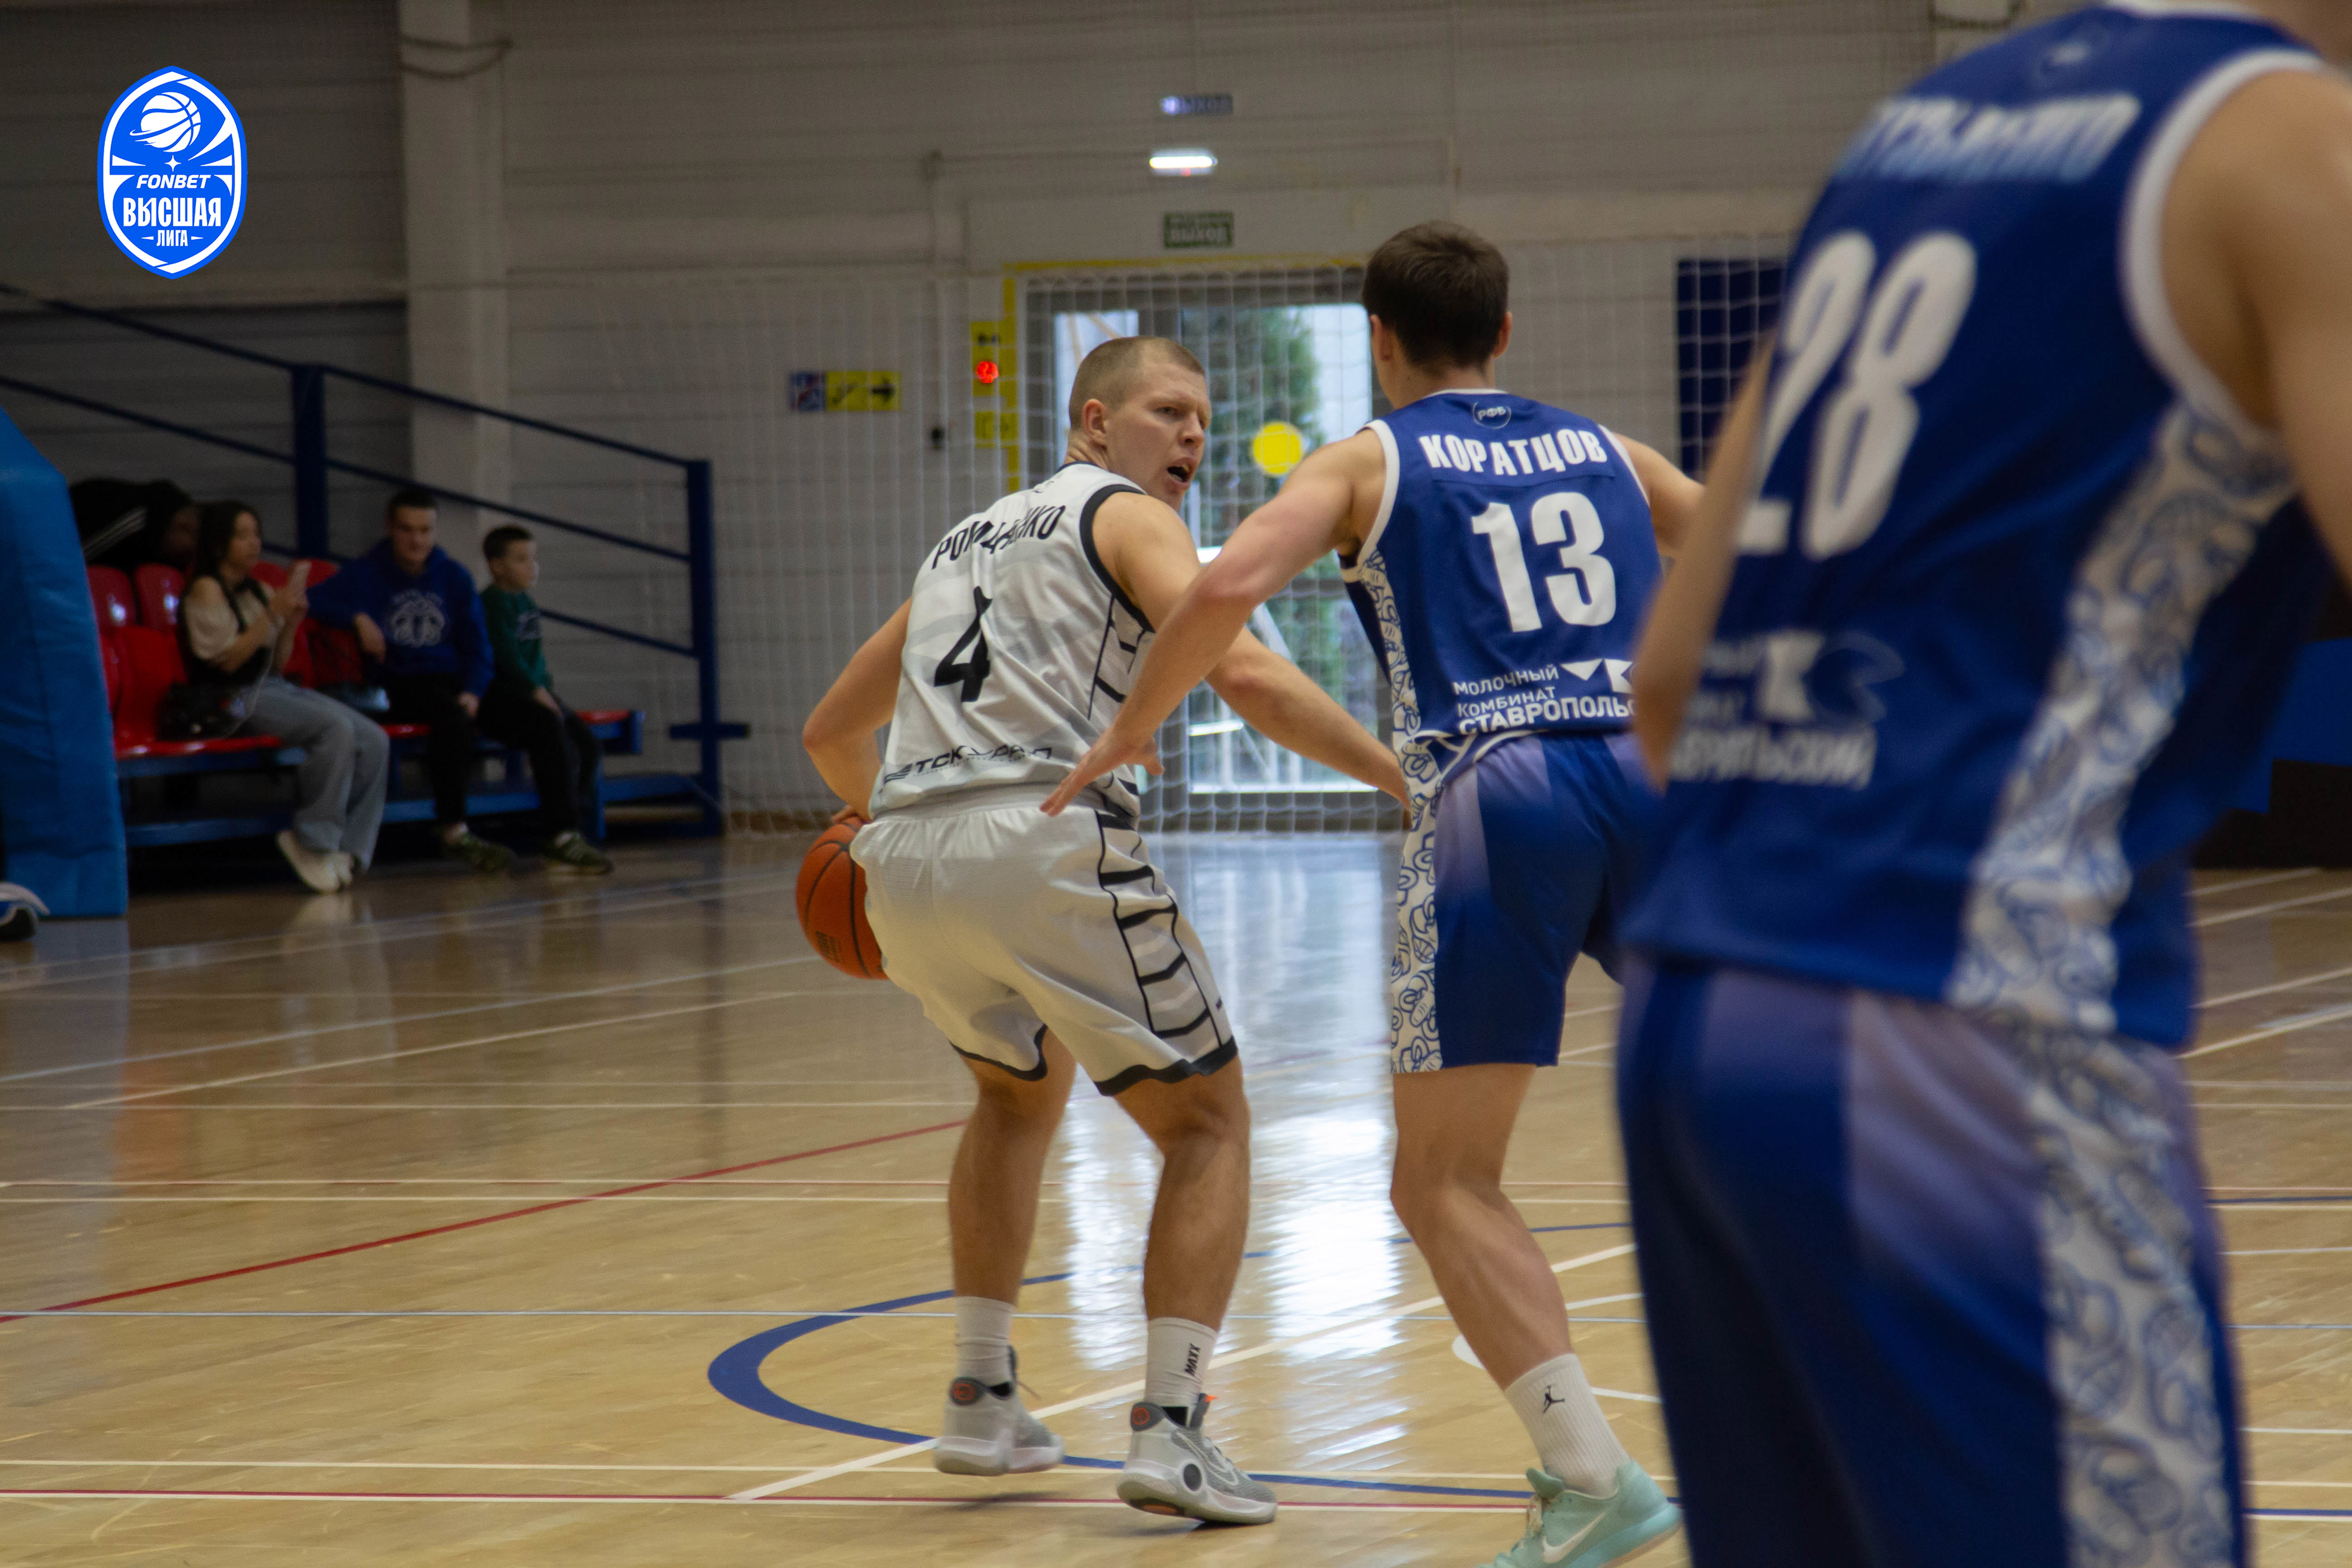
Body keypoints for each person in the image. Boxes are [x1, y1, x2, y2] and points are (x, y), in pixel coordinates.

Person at [1615, 6, 2352, 1567]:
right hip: (1970, 1018)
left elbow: (1669, 671)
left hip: (1695, 1009)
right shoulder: (2292, 144)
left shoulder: (1910, 139)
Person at [1046, 225, 1700, 1568]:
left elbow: (1227, 585)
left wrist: (1130, 727)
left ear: (1380, 338)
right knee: (1766, 1107)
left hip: (1498, 796)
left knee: (1445, 1177)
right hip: (1654, 777)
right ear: (1504, 333)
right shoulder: (1614, 453)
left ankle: (1594, 1479)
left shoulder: (1364, 462)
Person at [803, 336, 1407, 1525]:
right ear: (1093, 422)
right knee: (1208, 1125)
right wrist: (1400, 778)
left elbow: (830, 733)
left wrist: (913, 831)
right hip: (1041, 840)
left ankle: (981, 1395)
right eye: (1168, 411)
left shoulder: (958, 544)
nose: (1193, 436)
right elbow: (1244, 675)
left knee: (1013, 1101)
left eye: (1202, 420)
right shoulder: (1128, 517)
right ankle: (1173, 1432)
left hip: (904, 861)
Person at [179, 500, 389, 893]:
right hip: (230, 698)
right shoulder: (206, 589)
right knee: (334, 728)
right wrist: (272, 616)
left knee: (375, 739)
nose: (254, 543)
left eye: (257, 535)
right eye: (242, 536)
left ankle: (349, 849)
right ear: (220, 542)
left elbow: (277, 662)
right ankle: (312, 840)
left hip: (271, 687)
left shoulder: (259, 590)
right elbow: (229, 662)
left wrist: (291, 623)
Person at [305, 488, 510, 873]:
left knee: (533, 714)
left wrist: (475, 690)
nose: (417, 540)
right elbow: (310, 600)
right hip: (398, 682)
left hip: (452, 680)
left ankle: (562, 832)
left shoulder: (454, 577)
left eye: (425, 530)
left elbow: (478, 646)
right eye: (407, 530)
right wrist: (356, 618)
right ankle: (453, 829)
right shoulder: (364, 573)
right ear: (390, 528)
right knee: (452, 718)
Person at [479, 525, 613, 875]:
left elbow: (535, 657)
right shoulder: (492, 604)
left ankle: (571, 831)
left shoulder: (526, 602)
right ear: (497, 566)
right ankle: (559, 833)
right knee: (555, 737)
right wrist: (534, 691)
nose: (532, 567)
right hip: (506, 695)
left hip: (537, 689)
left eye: (533, 559)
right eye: (522, 560)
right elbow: (506, 657)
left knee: (588, 747)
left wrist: (546, 689)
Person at [70, 477, 198, 574]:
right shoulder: (133, 522)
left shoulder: (157, 537)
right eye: (194, 540)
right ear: (182, 527)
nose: (192, 551)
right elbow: (72, 558)